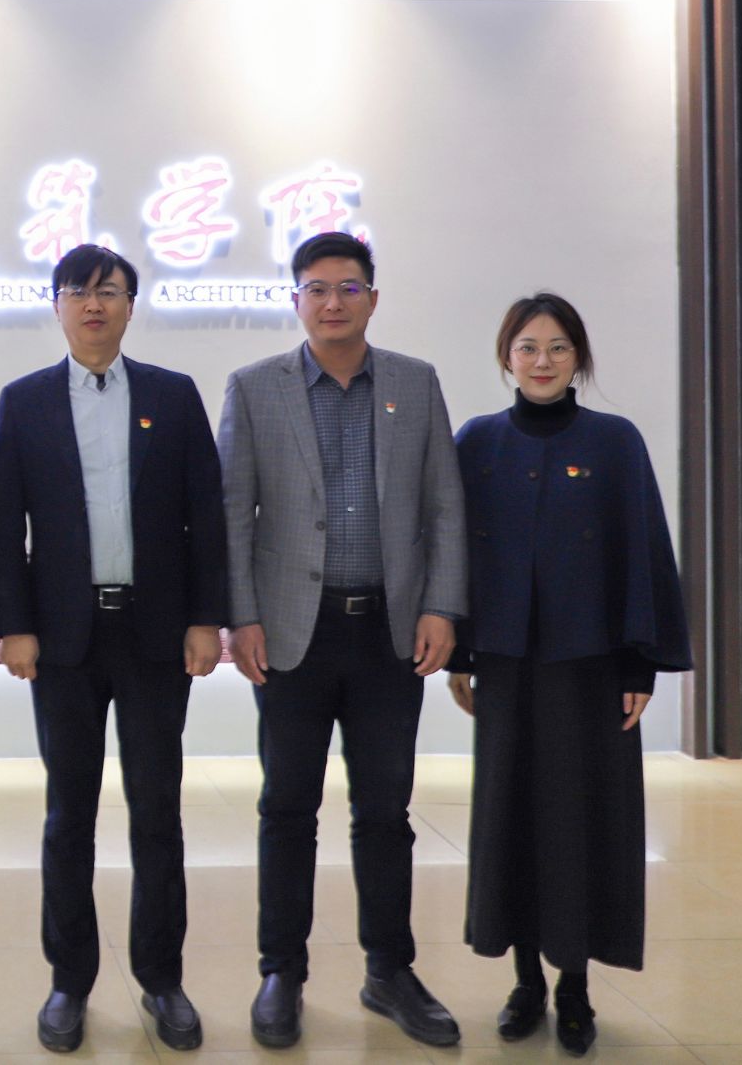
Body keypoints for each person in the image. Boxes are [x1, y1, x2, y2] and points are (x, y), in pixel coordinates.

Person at [216, 230, 466, 1050]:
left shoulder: (414, 383)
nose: (333, 302)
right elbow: (232, 513)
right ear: (295, 299)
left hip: (390, 632)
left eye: (348, 287)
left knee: (384, 809)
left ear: (373, 298)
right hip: (294, 632)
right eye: (317, 288)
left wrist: (442, 606)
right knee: (287, 806)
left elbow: (444, 505)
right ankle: (281, 971)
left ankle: (388, 968)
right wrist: (242, 617)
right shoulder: (255, 388)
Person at [0, 243, 226, 1053]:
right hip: (63, 638)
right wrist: (15, 625)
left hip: (154, 633)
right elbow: (5, 524)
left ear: (130, 303)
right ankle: (69, 980)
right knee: (69, 815)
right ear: (56, 305)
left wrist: (206, 617)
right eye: (77, 291)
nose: (93, 304)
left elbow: (205, 515)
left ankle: (162, 977)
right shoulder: (24, 401)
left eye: (108, 290)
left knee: (157, 810)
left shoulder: (172, 395)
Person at [447, 293, 691, 1058]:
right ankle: (525, 981)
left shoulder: (615, 442)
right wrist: (459, 652)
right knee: (512, 815)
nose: (542, 360)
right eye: (528, 346)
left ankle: (576, 986)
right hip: (506, 664)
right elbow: (451, 551)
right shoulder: (476, 441)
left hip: (590, 668)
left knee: (582, 820)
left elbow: (643, 551)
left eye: (557, 347)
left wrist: (640, 662)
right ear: (506, 356)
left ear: (578, 357)